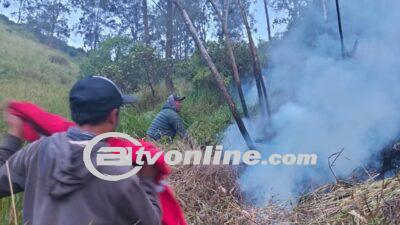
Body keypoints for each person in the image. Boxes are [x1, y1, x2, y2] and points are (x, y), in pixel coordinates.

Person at [0, 76, 161, 225]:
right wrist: (147, 178)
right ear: (113, 116)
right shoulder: (117, 169)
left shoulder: (36, 151)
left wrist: (14, 135)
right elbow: (151, 221)